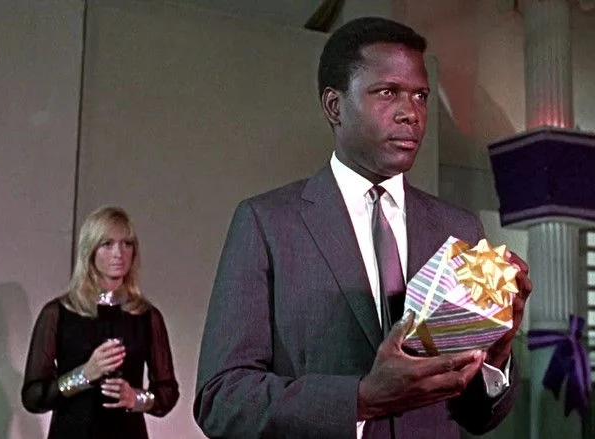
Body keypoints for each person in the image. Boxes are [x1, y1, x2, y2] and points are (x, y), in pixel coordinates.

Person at [194, 16, 532, 439]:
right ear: (334, 106)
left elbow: (477, 418)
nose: (411, 113)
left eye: (421, 96)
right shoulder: (267, 224)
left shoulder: (457, 227)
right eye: (388, 92)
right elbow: (221, 400)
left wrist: (497, 353)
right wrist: (362, 398)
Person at [21, 206, 179, 439]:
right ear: (90, 250)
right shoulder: (58, 313)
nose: (119, 253)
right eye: (107, 244)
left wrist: (135, 398)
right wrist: (83, 375)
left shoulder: (146, 316)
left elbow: (167, 392)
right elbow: (33, 397)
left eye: (126, 244)